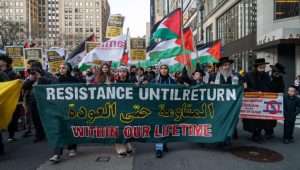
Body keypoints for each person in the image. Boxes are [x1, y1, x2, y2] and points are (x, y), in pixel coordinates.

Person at [49, 63, 79, 163]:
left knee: (71, 128)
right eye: (60, 68)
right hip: (59, 109)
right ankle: (57, 154)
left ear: (69, 69)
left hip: (71, 108)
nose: (61, 70)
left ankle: (72, 147)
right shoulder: (56, 80)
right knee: (59, 129)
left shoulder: (75, 80)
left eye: (64, 68)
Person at [209, 57, 241, 142]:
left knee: (233, 117)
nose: (227, 67)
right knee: (220, 118)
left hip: (232, 103)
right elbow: (210, 89)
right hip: (219, 103)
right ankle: (221, 134)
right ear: (220, 67)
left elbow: (241, 88)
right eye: (225, 65)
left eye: (228, 65)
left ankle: (232, 131)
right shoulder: (214, 76)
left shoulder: (236, 76)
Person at [243, 58, 272, 143]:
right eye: (261, 66)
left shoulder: (266, 75)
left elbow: (269, 86)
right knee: (252, 119)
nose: (262, 68)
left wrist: (265, 92)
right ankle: (255, 133)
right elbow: (245, 87)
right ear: (256, 67)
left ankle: (259, 132)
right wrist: (255, 92)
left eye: (263, 66)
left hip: (263, 100)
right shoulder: (248, 75)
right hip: (252, 100)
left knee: (262, 118)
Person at [152, 64, 176, 158]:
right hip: (157, 108)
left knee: (167, 127)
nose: (164, 70)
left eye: (165, 68)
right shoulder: (154, 81)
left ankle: (164, 143)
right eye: (162, 68)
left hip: (168, 107)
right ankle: (158, 148)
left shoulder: (172, 81)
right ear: (159, 70)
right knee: (159, 127)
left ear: (168, 70)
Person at [0, 54, 20, 142]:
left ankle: (11, 135)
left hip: (8, 99)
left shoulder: (11, 73)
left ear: (5, 62)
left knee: (11, 117)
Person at [114, 66, 133, 157]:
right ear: (118, 73)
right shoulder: (114, 83)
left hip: (128, 108)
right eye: (120, 71)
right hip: (117, 108)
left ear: (127, 73)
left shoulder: (131, 82)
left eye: (124, 71)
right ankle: (120, 148)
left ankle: (127, 145)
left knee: (127, 127)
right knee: (119, 128)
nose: (122, 73)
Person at [265, 63, 286, 139]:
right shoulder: (265, 75)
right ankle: (259, 131)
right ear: (273, 70)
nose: (277, 73)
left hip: (274, 100)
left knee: (272, 117)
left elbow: (282, 88)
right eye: (276, 72)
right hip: (264, 98)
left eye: (279, 72)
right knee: (263, 116)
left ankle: (269, 132)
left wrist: (280, 95)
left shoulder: (279, 78)